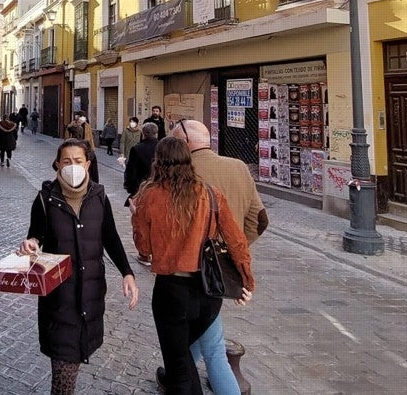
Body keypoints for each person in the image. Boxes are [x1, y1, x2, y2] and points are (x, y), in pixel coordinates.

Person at [131, 137, 254, 395]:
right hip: (209, 293)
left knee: (180, 368)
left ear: (158, 161)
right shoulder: (210, 193)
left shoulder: (149, 195)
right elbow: (237, 241)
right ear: (189, 160)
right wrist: (247, 281)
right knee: (189, 353)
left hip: (172, 291)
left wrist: (137, 217)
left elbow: (144, 250)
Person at [17, 139, 139, 395]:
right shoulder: (45, 200)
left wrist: (127, 272)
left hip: (91, 296)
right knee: (64, 373)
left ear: (88, 164)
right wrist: (30, 244)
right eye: (66, 161)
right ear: (58, 165)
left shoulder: (99, 196)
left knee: (78, 354)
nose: (73, 166)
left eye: (78, 161)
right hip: (60, 299)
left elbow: (111, 237)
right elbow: (35, 236)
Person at [171, 119, 268, 395]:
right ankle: (173, 372)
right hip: (222, 270)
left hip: (189, 270)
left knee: (212, 344)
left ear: (185, 144)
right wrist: (230, 250)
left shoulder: (181, 172)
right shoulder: (238, 167)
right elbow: (259, 220)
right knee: (206, 328)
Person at [123, 122, 160, 264]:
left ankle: (144, 254)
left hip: (142, 189)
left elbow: (131, 171)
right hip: (160, 187)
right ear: (156, 133)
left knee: (141, 222)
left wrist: (130, 188)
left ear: (143, 133)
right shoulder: (162, 147)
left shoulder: (137, 149)